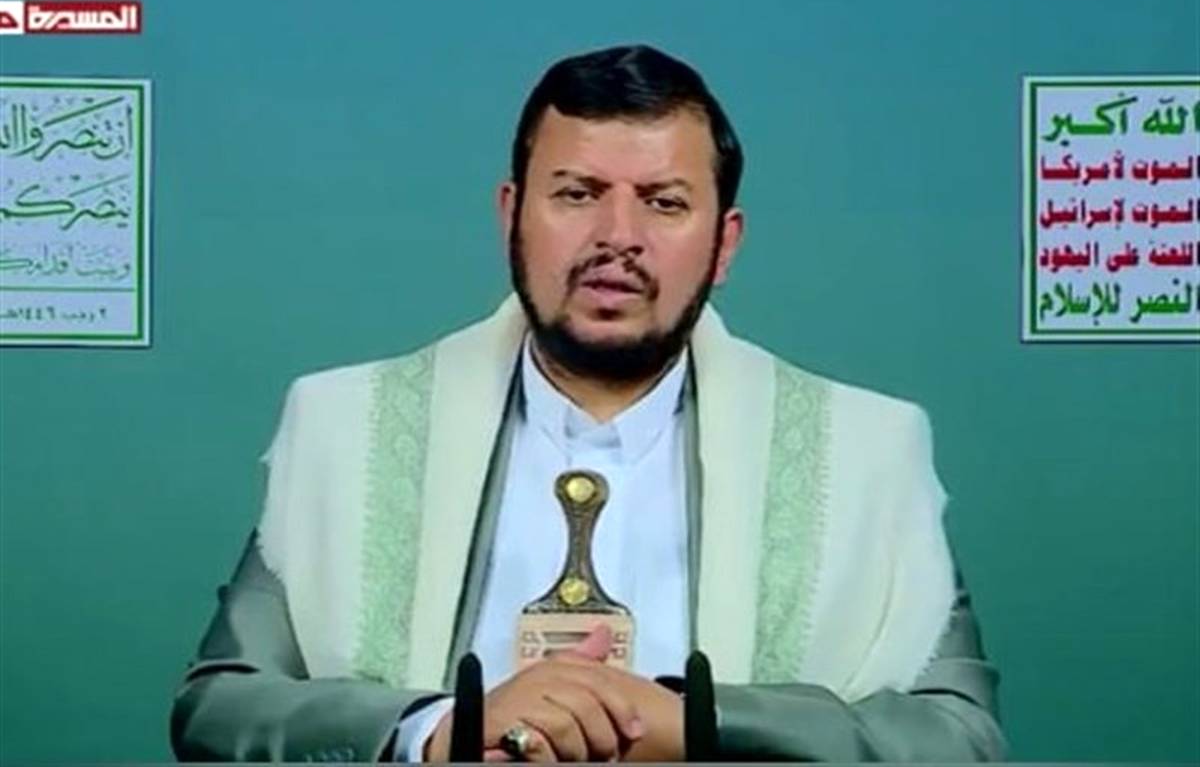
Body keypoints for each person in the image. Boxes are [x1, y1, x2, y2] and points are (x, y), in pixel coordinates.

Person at [170, 44, 1006, 763]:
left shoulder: (863, 451)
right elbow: (220, 705)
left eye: (665, 202)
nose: (618, 236)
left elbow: (959, 736)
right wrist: (436, 730)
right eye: (577, 193)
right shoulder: (346, 428)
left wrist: (700, 726)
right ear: (511, 216)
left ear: (725, 244)